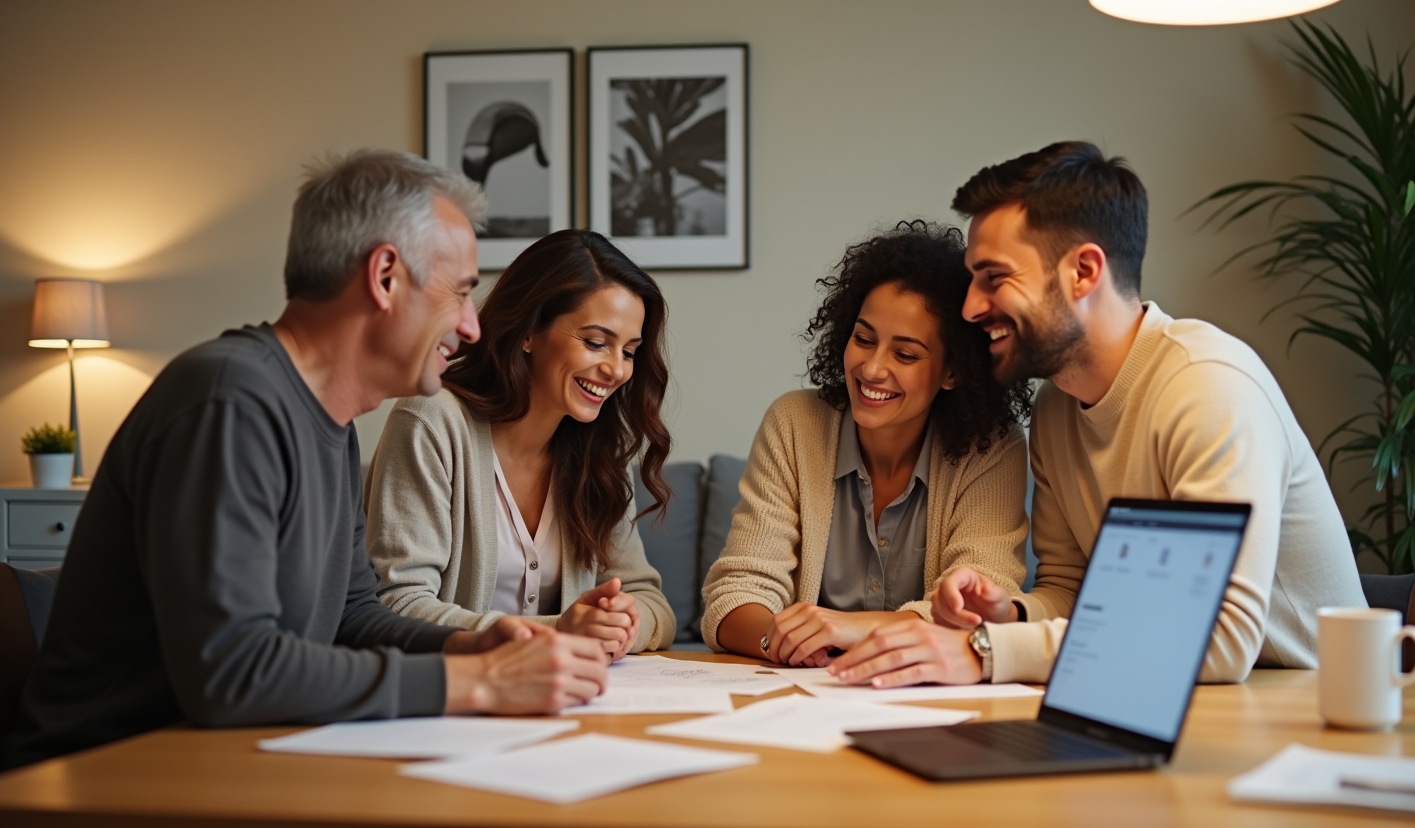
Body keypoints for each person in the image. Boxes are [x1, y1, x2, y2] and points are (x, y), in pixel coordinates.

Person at [3, 150, 609, 771]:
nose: (472, 328)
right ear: (385, 277)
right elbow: (232, 670)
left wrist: (474, 643)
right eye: (459, 294)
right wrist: (480, 682)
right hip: (100, 777)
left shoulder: (333, 422)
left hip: (222, 762)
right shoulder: (230, 403)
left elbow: (352, 616)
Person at [830, 141, 1367, 689]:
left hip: (1307, 706)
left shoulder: (1208, 384)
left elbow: (1222, 637)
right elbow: (1070, 591)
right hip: (1149, 693)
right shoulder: (1056, 411)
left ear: (1083, 272)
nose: (969, 307)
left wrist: (986, 650)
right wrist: (1006, 615)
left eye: (994, 277)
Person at [701, 221, 1033, 666]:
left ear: (953, 371)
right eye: (863, 339)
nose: (872, 368)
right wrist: (783, 642)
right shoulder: (795, 423)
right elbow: (736, 592)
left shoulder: (991, 448)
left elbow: (977, 609)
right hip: (802, 691)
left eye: (905, 354)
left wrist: (848, 630)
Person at [365, 229, 676, 659]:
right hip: (449, 698)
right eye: (596, 343)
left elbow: (652, 601)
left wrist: (622, 625)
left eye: (629, 351)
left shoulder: (597, 449)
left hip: (564, 699)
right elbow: (397, 605)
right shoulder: (431, 419)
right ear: (528, 332)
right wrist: (560, 631)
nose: (616, 370)